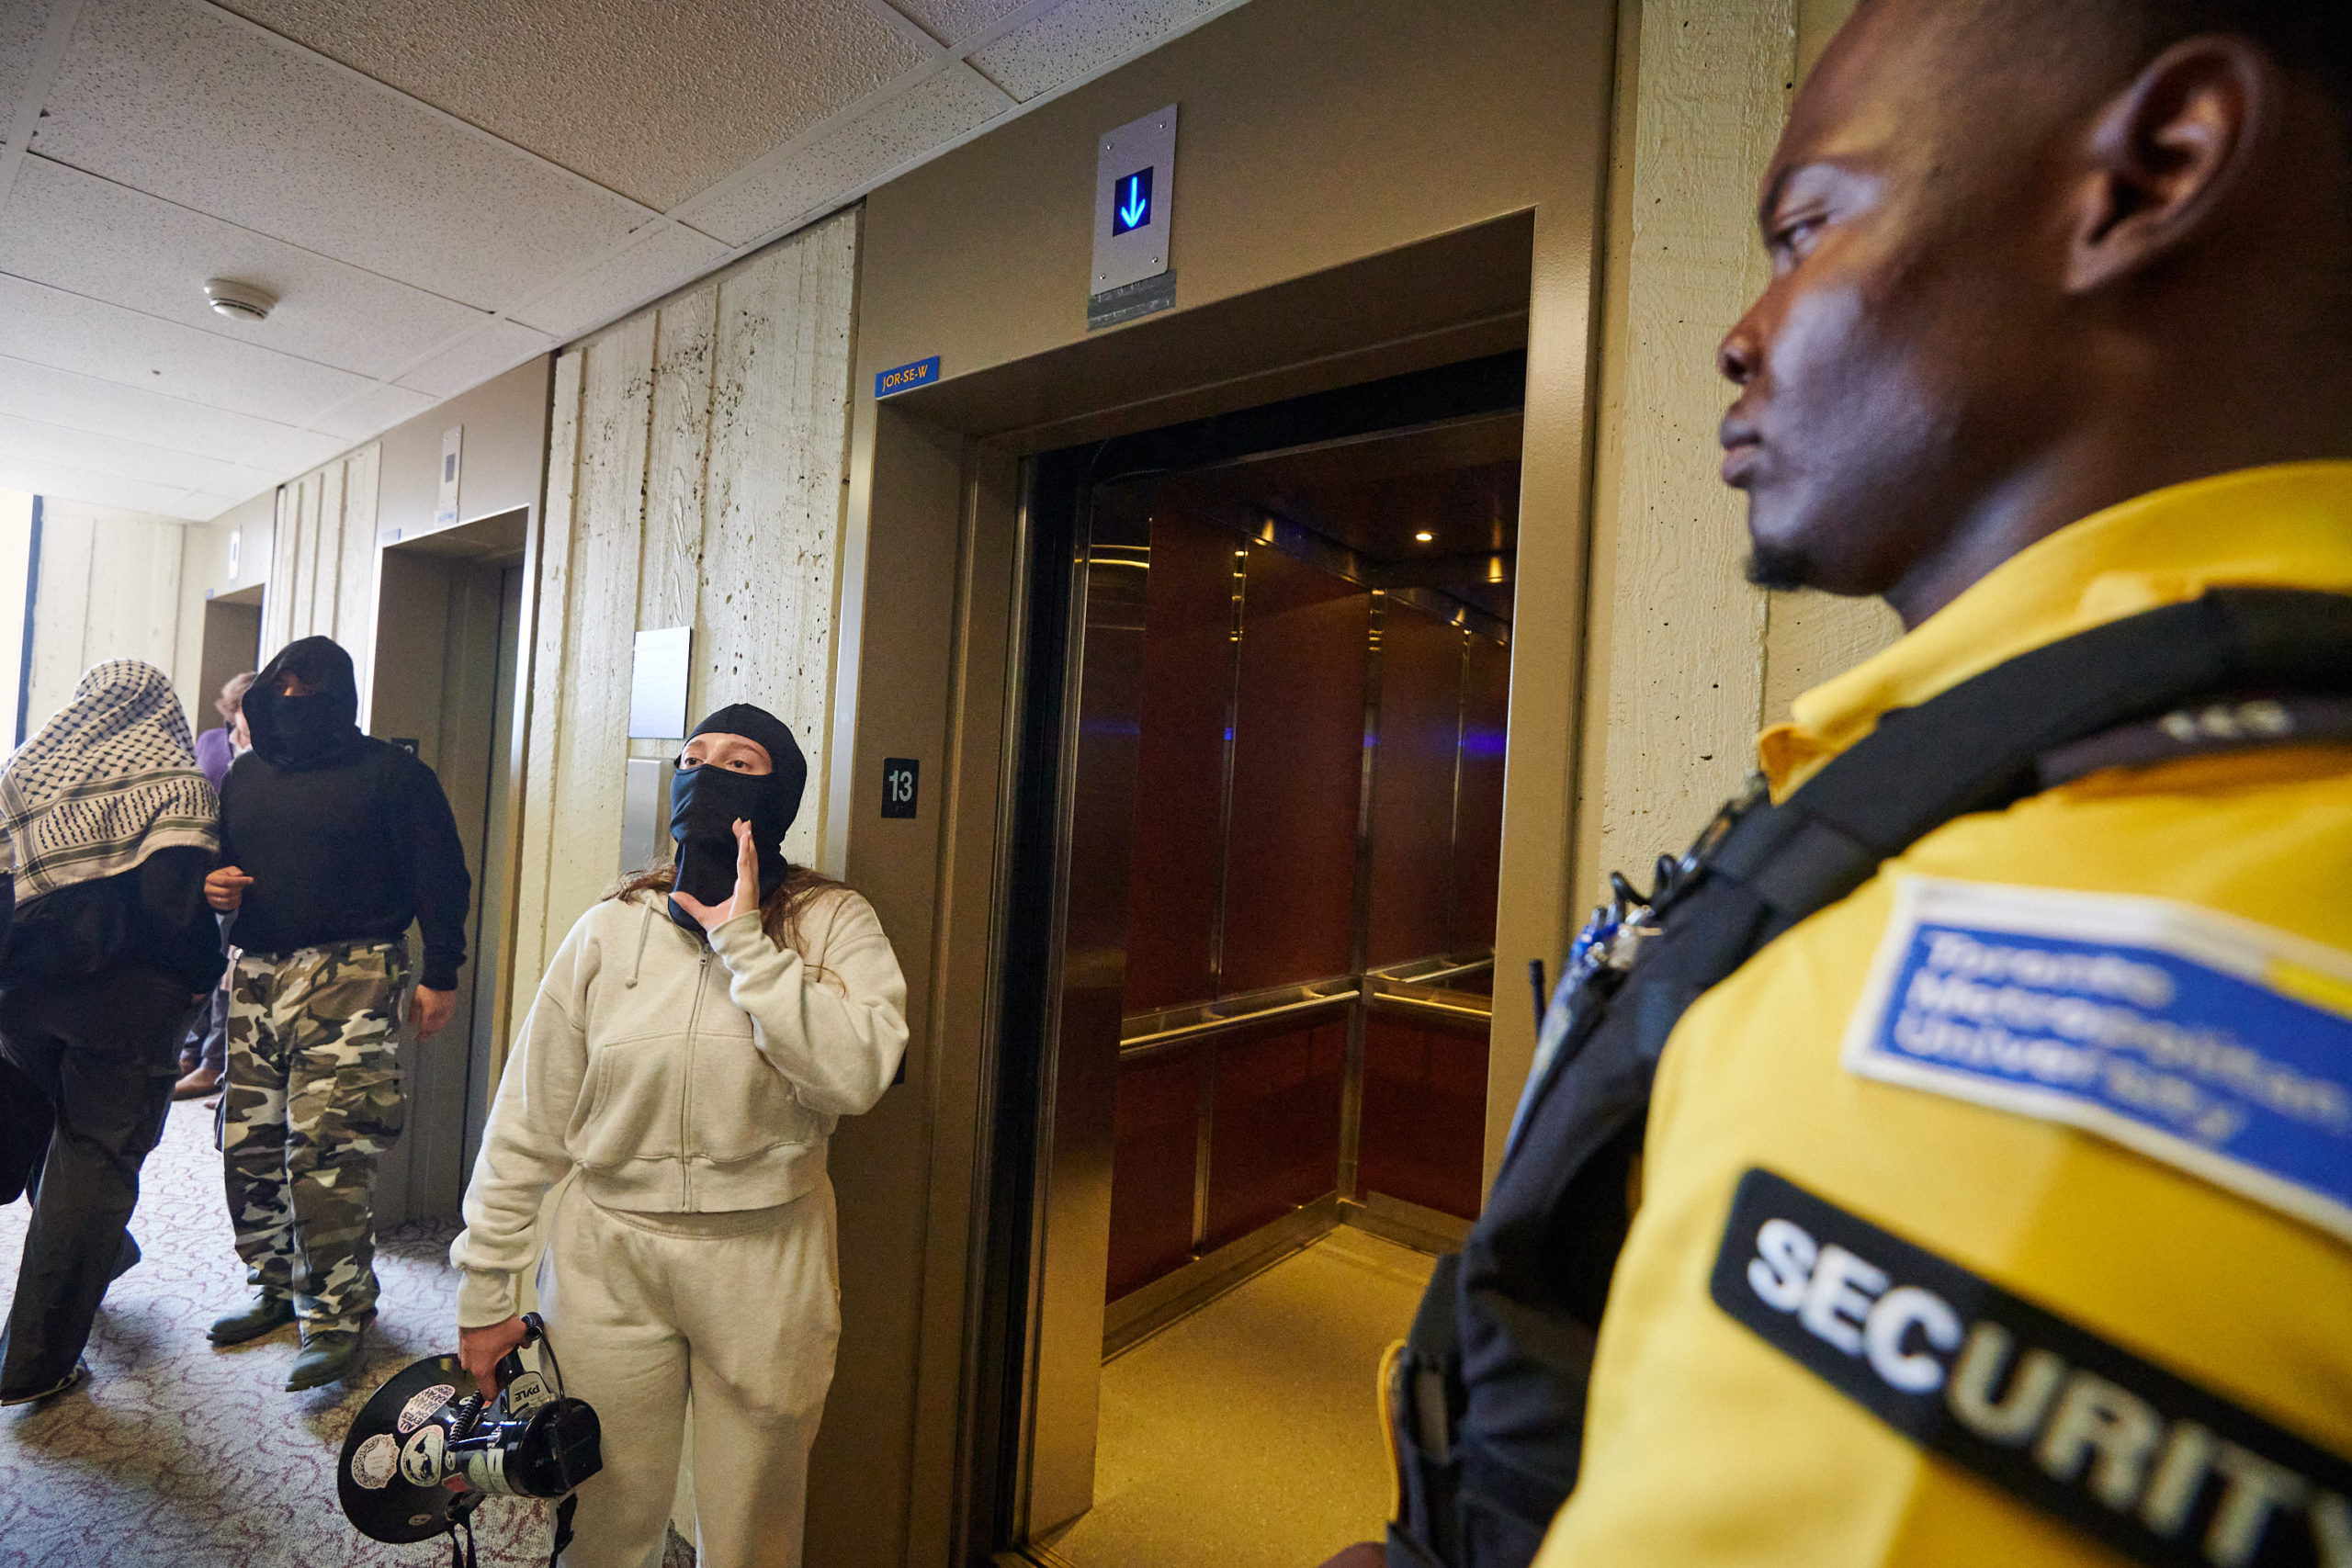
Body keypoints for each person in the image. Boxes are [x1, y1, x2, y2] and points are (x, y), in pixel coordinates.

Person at [1355, 4, 2352, 1567]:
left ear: (2155, 172)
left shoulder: (2048, 970)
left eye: (1809, 225)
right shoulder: (1971, 772)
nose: (1741, 334)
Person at [449, 703, 908, 1568]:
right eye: (695, 757)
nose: (710, 772)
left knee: (753, 1526)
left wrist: (744, 941)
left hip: (766, 1259)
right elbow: (527, 1120)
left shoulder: (833, 922)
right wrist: (485, 1288)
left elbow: (854, 1075)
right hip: (608, 1257)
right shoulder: (609, 927)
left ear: (781, 796)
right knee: (604, 1511)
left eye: (742, 761)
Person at [203, 636, 471, 1390]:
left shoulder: (394, 774)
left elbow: (441, 880)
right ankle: (274, 1283)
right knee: (248, 1143)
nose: (293, 698)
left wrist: (442, 972)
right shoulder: (245, 776)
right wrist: (215, 887)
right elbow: (223, 865)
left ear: (341, 692)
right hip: (255, 976)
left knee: (326, 1151)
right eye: (282, 684)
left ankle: (338, 1311)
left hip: (353, 976)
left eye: (307, 685)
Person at [0, 660, 223, 1404]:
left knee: (55, 1133)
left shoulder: (24, 777)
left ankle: (100, 1253)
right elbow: (175, 916)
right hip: (126, 1013)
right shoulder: (176, 787)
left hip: (25, 999)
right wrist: (200, 979)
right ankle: (33, 1362)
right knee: (96, 1156)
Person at [174, 671, 256, 1103]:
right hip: (199, 865)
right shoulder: (208, 741)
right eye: (243, 706)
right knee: (200, 955)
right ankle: (188, 1053)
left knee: (228, 966)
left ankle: (213, 1063)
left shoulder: (269, 750)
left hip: (239, 867)